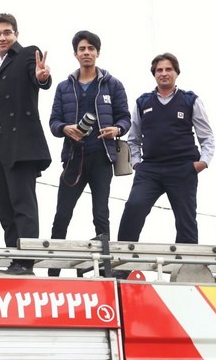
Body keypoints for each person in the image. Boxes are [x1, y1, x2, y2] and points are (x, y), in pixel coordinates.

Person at [0, 13, 52, 275]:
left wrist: (42, 77)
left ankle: (25, 262)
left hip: (20, 143)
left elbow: (38, 77)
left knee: (22, 205)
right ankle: (15, 260)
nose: (2, 37)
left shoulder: (28, 54)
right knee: (4, 208)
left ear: (16, 34)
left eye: (7, 32)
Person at [48, 30, 131, 276]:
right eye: (82, 49)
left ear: (98, 52)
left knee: (101, 214)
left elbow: (125, 118)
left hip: (102, 156)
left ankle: (104, 271)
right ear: (75, 53)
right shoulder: (64, 87)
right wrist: (65, 128)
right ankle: (53, 273)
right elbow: (53, 122)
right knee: (62, 215)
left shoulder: (112, 84)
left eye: (91, 48)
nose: (86, 53)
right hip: (73, 157)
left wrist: (117, 129)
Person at [117, 52, 215, 244]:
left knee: (186, 220)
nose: (164, 73)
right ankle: (123, 256)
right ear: (154, 74)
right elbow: (134, 138)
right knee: (134, 207)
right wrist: (136, 163)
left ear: (176, 72)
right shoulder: (143, 102)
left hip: (182, 168)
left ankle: (186, 261)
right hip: (150, 169)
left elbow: (207, 136)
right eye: (159, 70)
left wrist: (203, 162)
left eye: (168, 69)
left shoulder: (190, 100)